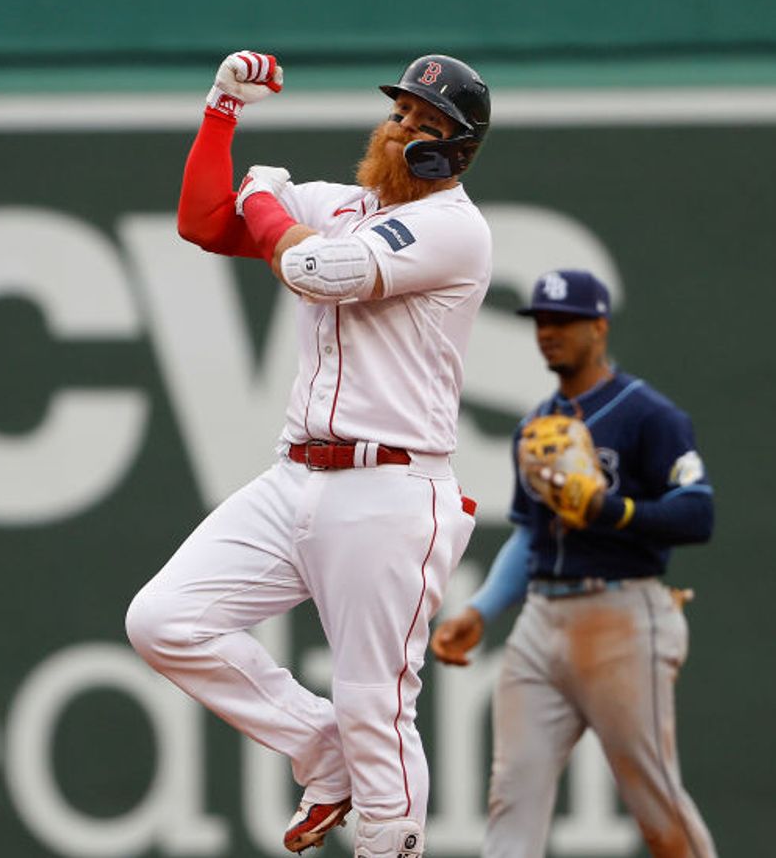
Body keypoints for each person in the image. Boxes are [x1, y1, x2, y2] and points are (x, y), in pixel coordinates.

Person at [124, 50, 492, 858]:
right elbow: (201, 220)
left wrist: (262, 194)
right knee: (164, 621)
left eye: (424, 125)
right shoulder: (348, 203)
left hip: (390, 488)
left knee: (376, 705)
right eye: (399, 113)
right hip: (298, 476)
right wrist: (222, 109)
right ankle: (321, 752)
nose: (400, 129)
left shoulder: (453, 228)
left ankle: (387, 841)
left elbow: (314, 269)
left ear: (452, 151)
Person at [429, 269, 719, 858]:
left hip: (623, 615)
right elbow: (531, 536)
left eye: (563, 321)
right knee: (511, 796)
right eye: (540, 321)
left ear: (599, 326)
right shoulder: (536, 427)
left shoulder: (648, 415)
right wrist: (483, 609)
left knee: (655, 801)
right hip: (541, 621)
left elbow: (697, 513)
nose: (548, 332)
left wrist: (609, 510)